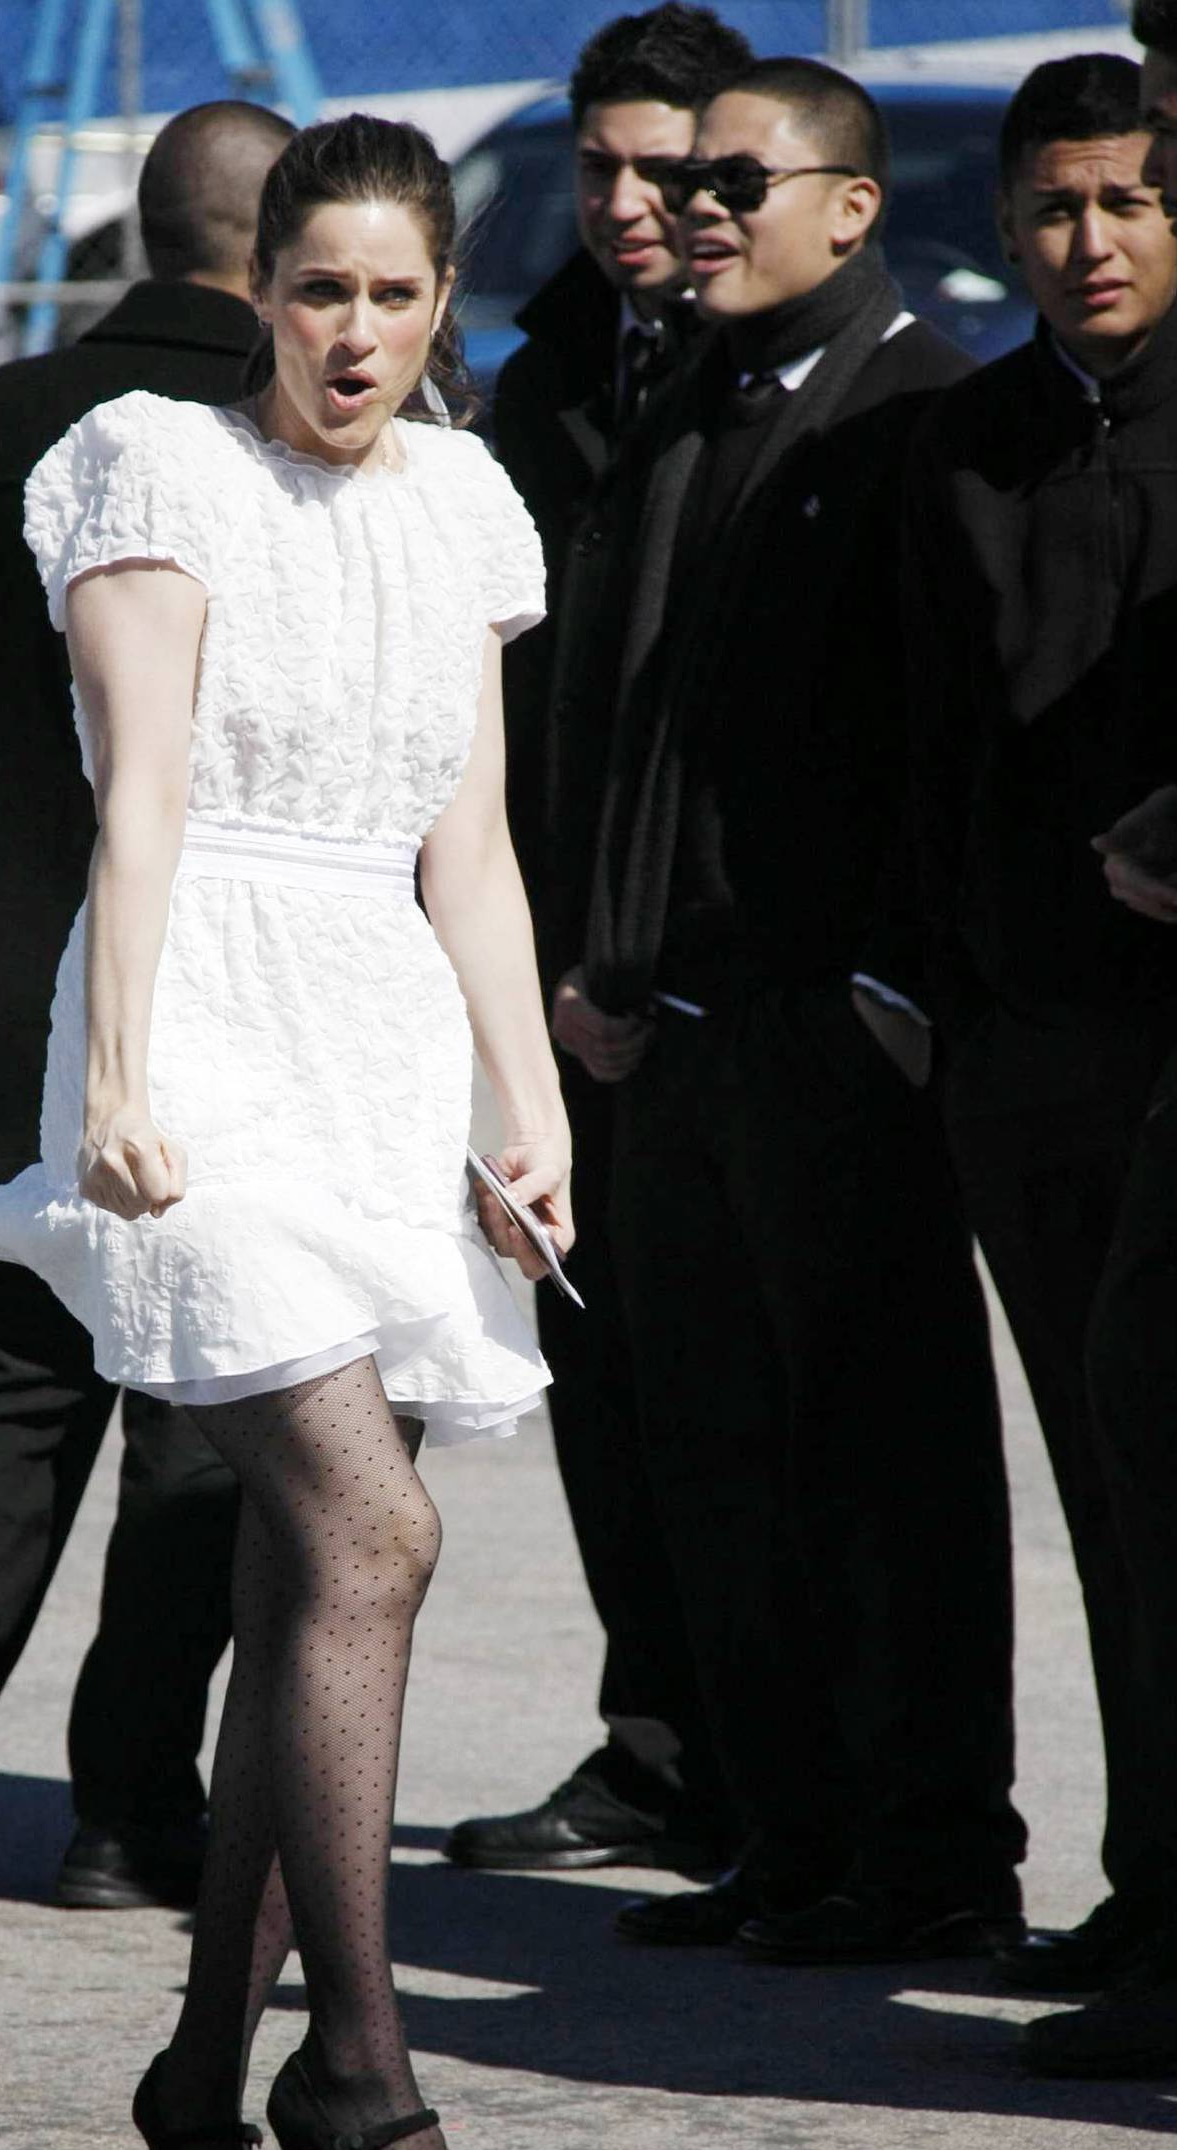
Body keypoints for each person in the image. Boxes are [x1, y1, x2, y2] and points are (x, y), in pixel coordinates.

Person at [0, 115, 569, 2150]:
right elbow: (145, 796)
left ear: (441, 303)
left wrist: (529, 1108)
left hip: (379, 1048)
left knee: (314, 1583)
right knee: (377, 1528)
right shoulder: (153, 464)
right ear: (259, 289)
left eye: (394, 295)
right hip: (198, 1035)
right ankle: (357, 2068)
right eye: (318, 291)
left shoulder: (463, 498)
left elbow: (472, 847)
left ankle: (205, 2077)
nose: (354, 334)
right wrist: (112, 1081)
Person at [554, 56, 1027, 1962]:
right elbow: (627, 720)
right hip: (670, 1029)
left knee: (881, 1457)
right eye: (695, 180)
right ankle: (788, 1828)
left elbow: (957, 738)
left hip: (827, 1032)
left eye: (744, 181)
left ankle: (935, 1851)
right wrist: (598, 960)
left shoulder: (919, 412)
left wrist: (886, 992)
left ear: (852, 205)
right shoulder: (692, 398)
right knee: (716, 1453)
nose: (701, 208)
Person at [0, 102, 293, 1911]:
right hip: (229, 1017)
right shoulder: (295, 432)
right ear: (280, 244)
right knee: (197, 1429)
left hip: (17, 1000)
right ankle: (127, 1810)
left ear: (144, 232)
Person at [450, 3, 751, 1883]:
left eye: (667, 172)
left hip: (722, 967)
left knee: (748, 1398)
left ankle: (772, 1769)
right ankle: (660, 1743)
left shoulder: (777, 374)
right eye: (599, 170)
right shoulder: (545, 371)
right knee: (604, 1372)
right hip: (553, 966)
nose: (629, 204)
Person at [904, 43, 1177, 2077]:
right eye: (1056, 209)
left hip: (1168, 1042)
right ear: (1005, 227)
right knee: (1103, 1488)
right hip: (1022, 1050)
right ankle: (1150, 1885)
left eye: (1127, 202)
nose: (1091, 241)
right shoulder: (971, 442)